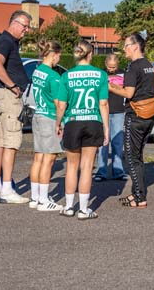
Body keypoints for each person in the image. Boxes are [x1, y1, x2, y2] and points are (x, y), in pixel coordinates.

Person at [55, 41, 109, 220]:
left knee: (72, 166)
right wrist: (106, 128)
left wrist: (58, 122)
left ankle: (69, 206)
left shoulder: (66, 76)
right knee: (87, 167)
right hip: (93, 121)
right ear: (90, 54)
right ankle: (84, 209)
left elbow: (62, 104)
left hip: (73, 121)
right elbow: (103, 103)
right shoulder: (100, 75)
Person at [109, 33, 154, 208]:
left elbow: (129, 93)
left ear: (136, 46)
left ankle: (140, 197)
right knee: (138, 156)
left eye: (126, 45)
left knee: (131, 156)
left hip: (135, 115)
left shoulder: (133, 67)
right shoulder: (149, 66)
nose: (124, 49)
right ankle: (137, 192)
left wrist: (110, 87)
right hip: (149, 115)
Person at [0, 10, 32, 204]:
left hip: (2, 97)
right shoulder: (6, 41)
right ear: (14, 23)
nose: (26, 31)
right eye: (24, 26)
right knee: (11, 143)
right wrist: (13, 86)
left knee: (0, 142)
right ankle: (7, 189)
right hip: (8, 97)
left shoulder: (8, 41)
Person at [29, 39, 63, 212]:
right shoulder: (53, 76)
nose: (59, 60)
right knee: (49, 159)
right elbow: (58, 103)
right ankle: (43, 200)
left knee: (38, 158)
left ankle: (35, 197)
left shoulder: (37, 71)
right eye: (59, 56)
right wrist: (60, 122)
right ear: (54, 55)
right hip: (49, 117)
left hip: (38, 114)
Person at [94, 54, 128, 181]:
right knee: (103, 142)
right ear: (105, 63)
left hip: (119, 110)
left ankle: (118, 171)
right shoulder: (101, 74)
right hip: (103, 110)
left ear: (117, 65)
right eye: (109, 66)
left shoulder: (124, 74)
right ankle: (101, 171)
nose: (112, 69)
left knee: (117, 142)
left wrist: (113, 86)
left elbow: (127, 90)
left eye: (114, 67)